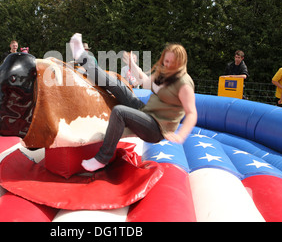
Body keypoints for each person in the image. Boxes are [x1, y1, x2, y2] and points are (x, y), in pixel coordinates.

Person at [68, 33, 197, 172]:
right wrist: (131, 64)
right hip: (146, 112)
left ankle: (102, 158)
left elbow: (191, 113)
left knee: (120, 112)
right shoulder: (163, 74)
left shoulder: (184, 83)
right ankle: (81, 56)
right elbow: (144, 81)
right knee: (118, 86)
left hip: (156, 128)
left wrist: (180, 135)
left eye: (172, 63)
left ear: (181, 63)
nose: (168, 65)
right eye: (166, 61)